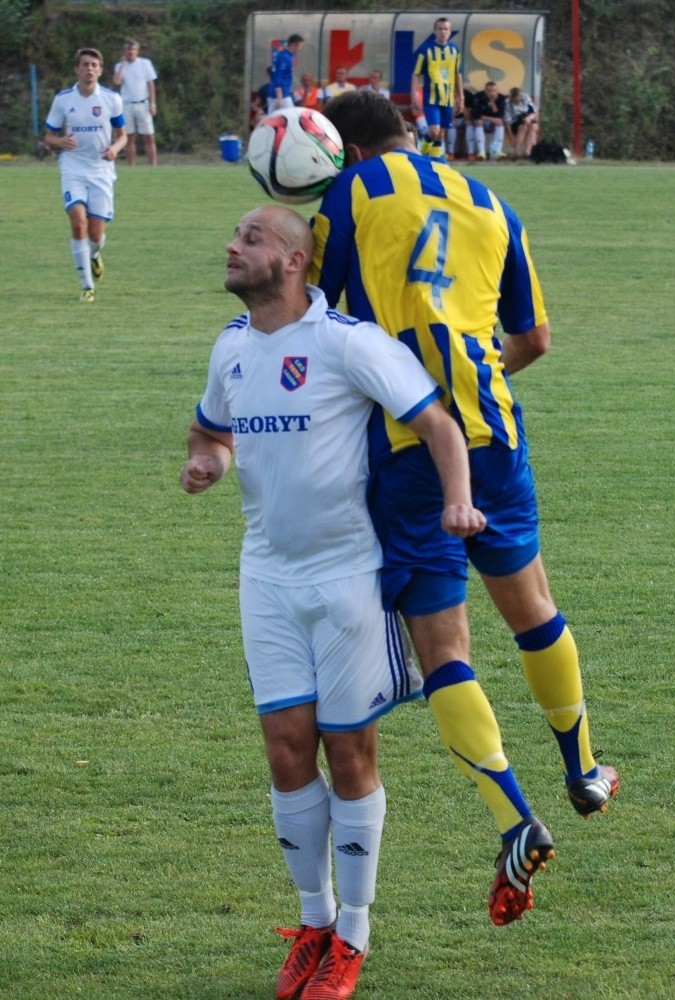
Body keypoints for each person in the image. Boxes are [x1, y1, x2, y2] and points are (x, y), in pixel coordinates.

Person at [311, 90, 619, 924]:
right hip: (496, 434)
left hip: (411, 454)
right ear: (409, 133)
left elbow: (316, 323)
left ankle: (516, 820)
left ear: (344, 149)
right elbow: (535, 339)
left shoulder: (350, 193)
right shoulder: (496, 201)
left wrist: (415, 399)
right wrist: (470, 378)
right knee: (534, 609)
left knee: (443, 647)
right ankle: (584, 767)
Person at [180, 204, 486, 999]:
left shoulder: (348, 342)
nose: (231, 243)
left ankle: (353, 934)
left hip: (348, 575)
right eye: (235, 232)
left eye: (248, 237)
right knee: (285, 748)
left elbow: (441, 426)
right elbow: (209, 431)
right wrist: (208, 463)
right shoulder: (232, 348)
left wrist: (458, 501)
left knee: (348, 752)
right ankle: (312, 923)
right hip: (267, 577)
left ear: (291, 261)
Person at [43, 47, 126, 302]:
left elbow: (123, 136)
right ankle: (87, 286)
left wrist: (114, 147)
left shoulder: (112, 99)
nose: (89, 69)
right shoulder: (63, 99)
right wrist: (59, 142)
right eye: (85, 64)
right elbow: (48, 137)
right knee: (78, 223)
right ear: (76, 69)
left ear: (100, 70)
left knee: (96, 236)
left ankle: (94, 255)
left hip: (101, 171)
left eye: (94, 65)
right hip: (73, 169)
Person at [411, 16, 464, 160]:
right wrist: (414, 95)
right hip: (431, 98)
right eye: (440, 29)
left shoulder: (455, 50)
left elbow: (457, 74)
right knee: (433, 131)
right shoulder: (426, 49)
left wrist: (461, 97)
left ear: (450, 31)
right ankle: (420, 155)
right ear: (435, 31)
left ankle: (433, 162)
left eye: (446, 29)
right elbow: (416, 74)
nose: (443, 32)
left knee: (441, 133)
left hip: (448, 98)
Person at [112, 38, 158, 166]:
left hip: (143, 104)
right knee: (129, 137)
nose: (131, 52)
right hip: (126, 104)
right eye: (128, 49)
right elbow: (116, 81)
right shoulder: (119, 66)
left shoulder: (145, 63)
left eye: (133, 49)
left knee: (149, 136)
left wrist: (152, 104)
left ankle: (153, 166)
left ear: (137, 51)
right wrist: (122, 64)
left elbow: (151, 85)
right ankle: (131, 165)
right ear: (124, 51)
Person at [268, 34, 304, 113]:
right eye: (300, 46)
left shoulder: (289, 56)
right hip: (280, 95)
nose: (300, 49)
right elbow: (278, 75)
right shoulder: (284, 57)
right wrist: (279, 96)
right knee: (289, 116)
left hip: (285, 92)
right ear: (294, 45)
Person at [472, 81, 507, 160]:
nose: (492, 93)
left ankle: (496, 151)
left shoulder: (501, 98)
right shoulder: (478, 97)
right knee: (478, 122)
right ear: (485, 91)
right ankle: (481, 152)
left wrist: (493, 104)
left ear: (497, 91)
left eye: (494, 91)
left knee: (500, 123)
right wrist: (486, 118)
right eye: (489, 91)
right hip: (482, 122)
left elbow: (500, 116)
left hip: (492, 122)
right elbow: (475, 115)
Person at [504, 87, 539, 159]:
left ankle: (527, 151)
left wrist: (529, 118)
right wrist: (511, 138)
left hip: (527, 118)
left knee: (534, 126)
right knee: (523, 127)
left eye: (519, 99)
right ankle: (516, 152)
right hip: (515, 121)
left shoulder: (526, 98)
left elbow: (535, 112)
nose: (517, 101)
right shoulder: (508, 103)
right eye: (515, 100)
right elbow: (508, 123)